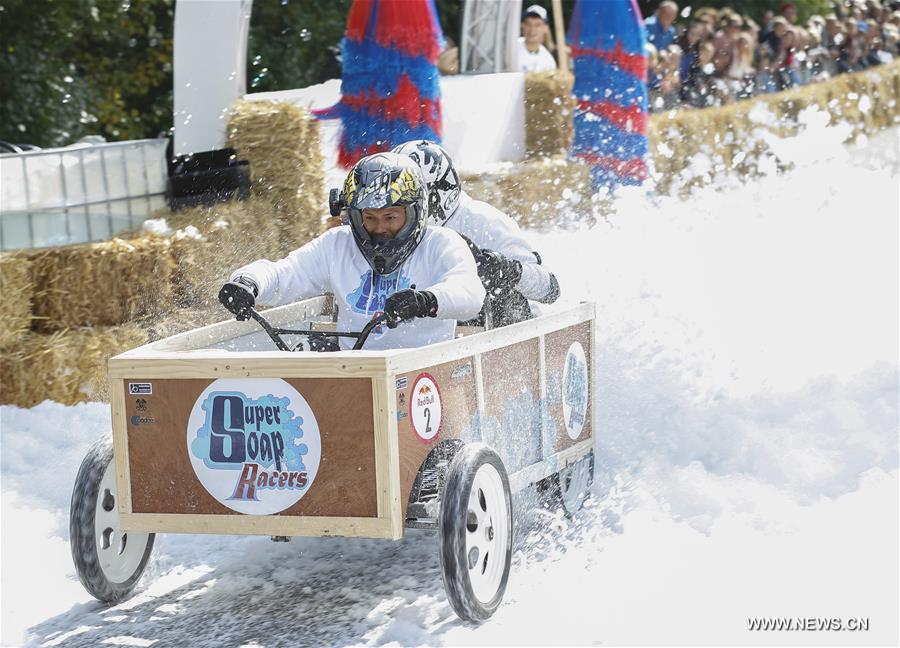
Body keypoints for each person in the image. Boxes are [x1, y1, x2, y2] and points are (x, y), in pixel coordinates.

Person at [219, 153, 485, 350]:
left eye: (390, 217)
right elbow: (283, 274)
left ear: (415, 212)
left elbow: (470, 293)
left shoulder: (441, 243)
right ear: (355, 217)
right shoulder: (337, 245)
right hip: (353, 373)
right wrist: (247, 282)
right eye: (369, 218)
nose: (380, 229)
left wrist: (426, 301)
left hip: (424, 376)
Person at [391, 139, 560, 327]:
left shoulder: (485, 222)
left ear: (439, 192)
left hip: (508, 329)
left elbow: (550, 289)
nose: (396, 206)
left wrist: (504, 269)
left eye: (410, 198)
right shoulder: (383, 224)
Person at [518, 4, 557, 73]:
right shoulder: (510, 49)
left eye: (537, 25)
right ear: (522, 25)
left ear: (545, 28)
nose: (532, 29)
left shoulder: (548, 61)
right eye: (528, 24)